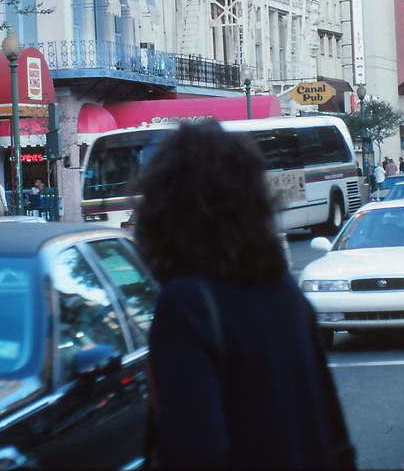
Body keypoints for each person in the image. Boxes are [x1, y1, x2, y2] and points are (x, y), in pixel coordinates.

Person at [133, 121, 354, 470]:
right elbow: (332, 428)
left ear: (166, 208)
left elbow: (194, 450)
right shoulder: (283, 291)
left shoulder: (186, 304)